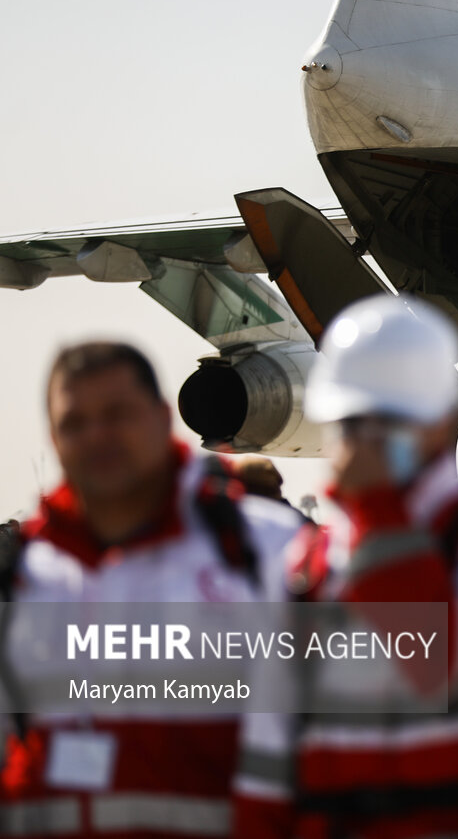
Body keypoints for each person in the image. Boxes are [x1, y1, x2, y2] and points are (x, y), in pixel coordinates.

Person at [234, 295, 458, 838]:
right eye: (352, 420)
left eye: (389, 419)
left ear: (441, 422)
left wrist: (379, 513)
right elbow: (269, 746)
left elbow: (439, 666)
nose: (366, 437)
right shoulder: (307, 565)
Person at [0, 342, 302, 837]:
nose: (97, 437)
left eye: (117, 415)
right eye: (75, 423)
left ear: (163, 419)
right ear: (53, 438)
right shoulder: (31, 575)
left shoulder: (267, 551)